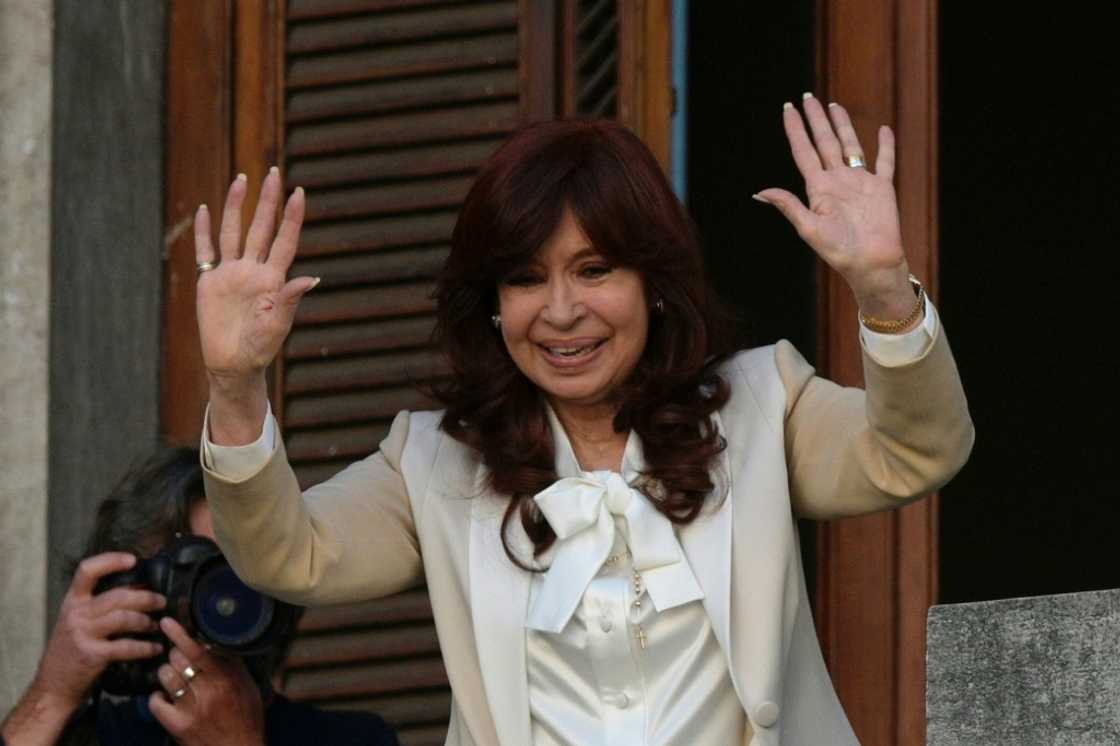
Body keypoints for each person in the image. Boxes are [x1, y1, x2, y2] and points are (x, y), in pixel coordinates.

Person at [194, 96, 973, 745]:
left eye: (595, 270)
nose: (562, 313)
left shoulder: (763, 403)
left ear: (654, 283)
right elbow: (284, 555)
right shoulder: (432, 463)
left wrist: (883, 292)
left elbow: (915, 450)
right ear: (494, 308)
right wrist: (235, 387)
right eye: (527, 279)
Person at [0, 448, 399, 746]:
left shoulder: (355, 740)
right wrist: (51, 693)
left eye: (231, 573)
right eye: (185, 573)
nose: (215, 599)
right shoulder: (90, 736)